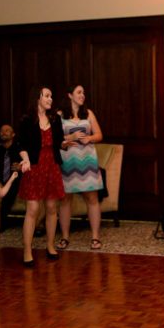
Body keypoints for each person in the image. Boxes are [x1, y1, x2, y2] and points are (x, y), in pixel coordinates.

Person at [17, 86, 64, 265]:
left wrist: (67, 143)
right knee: (33, 209)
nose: (50, 99)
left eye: (51, 96)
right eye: (47, 96)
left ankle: (50, 246)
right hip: (34, 166)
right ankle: (27, 250)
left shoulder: (55, 119)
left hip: (52, 165)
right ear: (37, 98)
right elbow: (20, 144)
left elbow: (59, 142)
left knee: (52, 207)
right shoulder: (27, 120)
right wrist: (25, 159)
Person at [57, 84, 106, 251]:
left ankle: (95, 237)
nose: (82, 95)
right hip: (67, 162)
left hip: (88, 161)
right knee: (65, 200)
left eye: (83, 92)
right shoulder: (60, 115)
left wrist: (89, 138)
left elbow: (99, 135)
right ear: (70, 95)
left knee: (92, 199)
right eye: (79, 92)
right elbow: (54, 139)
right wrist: (69, 137)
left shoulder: (88, 113)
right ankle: (64, 237)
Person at [0, 124, 23, 232]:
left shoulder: (20, 151)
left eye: (7, 130)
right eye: (1, 131)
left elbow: (29, 165)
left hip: (15, 182)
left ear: (13, 134)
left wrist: (20, 167)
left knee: (8, 192)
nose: (3, 132)